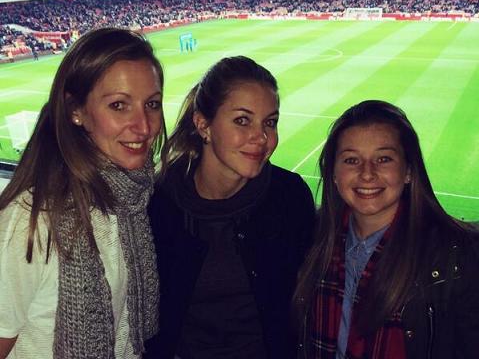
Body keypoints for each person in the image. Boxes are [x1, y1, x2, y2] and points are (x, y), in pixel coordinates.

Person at [0, 27, 166, 359]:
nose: (144, 126)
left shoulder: (134, 199)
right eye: (119, 105)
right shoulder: (32, 220)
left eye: (152, 104)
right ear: (77, 111)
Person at [145, 56, 316, 359]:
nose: (261, 137)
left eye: (270, 122)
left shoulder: (289, 198)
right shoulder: (159, 204)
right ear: (203, 125)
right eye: (242, 120)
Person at [293, 100, 479, 359]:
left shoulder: (458, 257)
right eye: (351, 160)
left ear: (409, 171)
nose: (367, 173)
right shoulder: (310, 238)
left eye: (383, 159)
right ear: (334, 174)